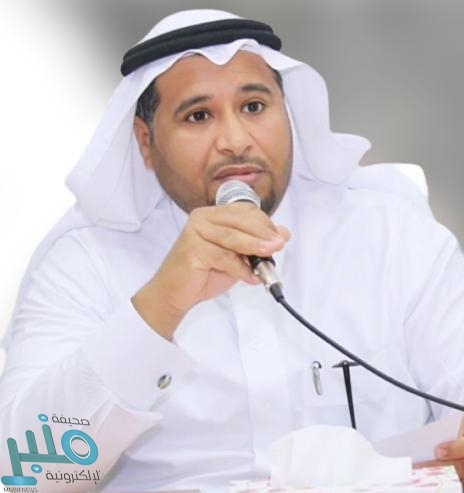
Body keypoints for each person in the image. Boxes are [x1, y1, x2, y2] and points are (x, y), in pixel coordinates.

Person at [1, 8, 464, 492]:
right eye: (198, 116)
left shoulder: (390, 234)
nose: (235, 141)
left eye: (254, 107)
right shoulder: (84, 264)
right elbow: (28, 476)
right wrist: (161, 304)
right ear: (145, 141)